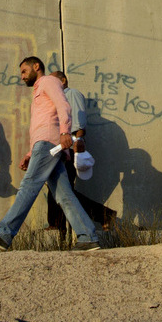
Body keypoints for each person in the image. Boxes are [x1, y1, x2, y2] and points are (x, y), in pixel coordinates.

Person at [0, 57, 103, 251]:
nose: (22, 76)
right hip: (45, 145)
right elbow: (42, 124)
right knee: (63, 195)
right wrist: (30, 153)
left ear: (36, 67)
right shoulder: (38, 91)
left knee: (29, 185)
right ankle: (88, 236)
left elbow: (64, 106)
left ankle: (4, 233)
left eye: (24, 71)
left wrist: (65, 132)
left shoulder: (48, 81)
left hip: (49, 143)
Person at [46, 71, 115, 233]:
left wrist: (78, 142)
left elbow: (79, 122)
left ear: (63, 81)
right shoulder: (57, 99)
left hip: (68, 147)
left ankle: (57, 225)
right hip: (57, 148)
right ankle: (102, 214)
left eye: (53, 80)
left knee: (61, 189)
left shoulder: (71, 94)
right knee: (58, 188)